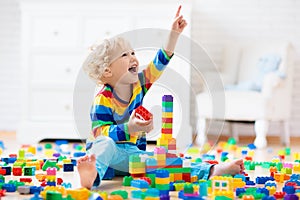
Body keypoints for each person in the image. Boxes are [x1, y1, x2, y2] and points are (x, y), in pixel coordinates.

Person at [78, 5, 244, 189]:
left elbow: (160, 62)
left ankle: (211, 170)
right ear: (108, 71)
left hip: (133, 157)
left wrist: (174, 34)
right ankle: (92, 175)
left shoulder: (139, 85)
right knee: (104, 143)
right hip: (108, 156)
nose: (133, 57)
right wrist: (130, 128)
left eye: (133, 52)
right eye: (125, 55)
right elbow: (99, 133)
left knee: (165, 161)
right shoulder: (103, 99)